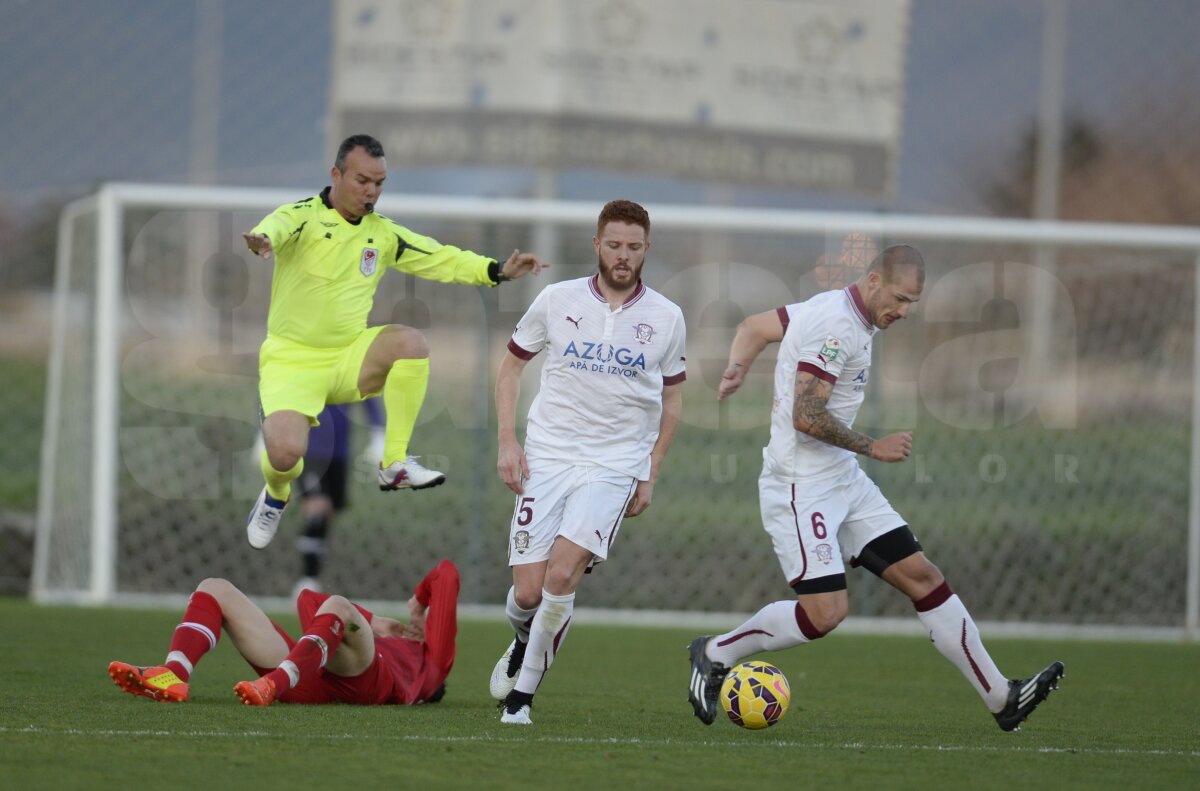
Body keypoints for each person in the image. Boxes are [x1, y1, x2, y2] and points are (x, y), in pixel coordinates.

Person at [686, 245, 1065, 733]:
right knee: (825, 614)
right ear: (872, 281)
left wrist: (738, 365)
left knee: (923, 577)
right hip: (802, 487)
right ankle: (715, 653)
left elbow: (755, 327)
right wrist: (873, 447)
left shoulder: (837, 311)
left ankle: (1002, 698)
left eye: (912, 304)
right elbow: (806, 416)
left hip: (841, 478)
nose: (904, 312)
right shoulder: (835, 326)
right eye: (900, 299)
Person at [241, 133, 548, 550]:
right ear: (336, 174)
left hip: (349, 357)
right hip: (291, 362)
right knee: (284, 457)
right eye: (363, 180)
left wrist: (496, 270)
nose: (371, 191)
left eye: (379, 183)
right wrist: (263, 239)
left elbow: (439, 257)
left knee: (411, 343)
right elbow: (275, 226)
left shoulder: (382, 235)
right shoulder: (302, 216)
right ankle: (276, 495)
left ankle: (393, 462)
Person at [488, 199, 687, 725]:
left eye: (634, 247)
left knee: (561, 573)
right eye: (615, 244)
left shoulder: (667, 317)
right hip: (548, 455)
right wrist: (508, 441)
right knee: (528, 593)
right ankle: (523, 638)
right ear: (597, 244)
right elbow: (510, 369)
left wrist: (651, 469)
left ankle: (521, 700)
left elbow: (673, 400)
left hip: (614, 465)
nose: (624, 256)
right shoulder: (557, 299)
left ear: (647, 249)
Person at [107, 559, 459, 707]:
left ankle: (275, 683)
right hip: (310, 674)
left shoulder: (431, 664)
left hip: (368, 681)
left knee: (337, 604)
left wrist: (417, 601)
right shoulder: (381, 639)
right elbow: (307, 600)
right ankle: (174, 674)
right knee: (214, 587)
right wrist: (376, 622)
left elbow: (446, 572)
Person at [293, 399, 386, 595]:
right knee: (317, 507)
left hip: (340, 452)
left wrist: (378, 433)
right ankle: (307, 580)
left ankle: (314, 577)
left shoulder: (350, 370)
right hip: (310, 450)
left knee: (329, 513)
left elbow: (368, 392)